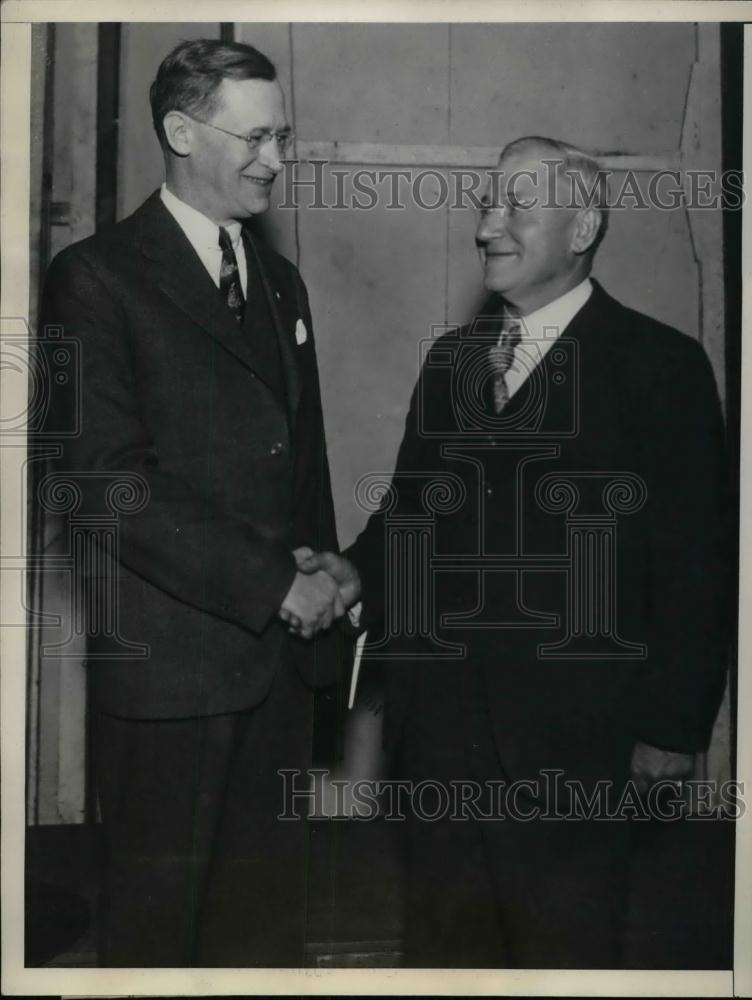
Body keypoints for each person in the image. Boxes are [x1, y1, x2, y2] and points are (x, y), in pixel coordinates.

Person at [300, 136, 730, 967]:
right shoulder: (451, 360)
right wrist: (356, 571)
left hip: (577, 747)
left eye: (515, 207)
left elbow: (697, 566)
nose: (487, 226)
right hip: (438, 744)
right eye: (485, 205)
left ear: (583, 228)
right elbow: (411, 518)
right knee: (445, 958)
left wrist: (671, 728)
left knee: (562, 958)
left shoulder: (661, 366)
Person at [39, 38, 348, 967]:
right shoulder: (95, 278)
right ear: (181, 131)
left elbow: (302, 464)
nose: (275, 161)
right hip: (171, 691)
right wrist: (269, 582)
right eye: (254, 137)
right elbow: (102, 480)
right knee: (158, 945)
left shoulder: (280, 282)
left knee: (261, 943)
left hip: (278, 679)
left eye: (282, 137)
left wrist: (328, 574)